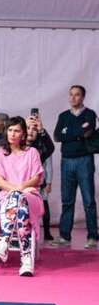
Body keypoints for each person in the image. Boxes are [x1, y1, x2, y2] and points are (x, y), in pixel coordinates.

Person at [0, 117, 44, 276]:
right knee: (20, 207)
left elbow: (36, 178)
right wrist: (17, 191)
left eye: (16, 131)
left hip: (30, 196)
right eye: (10, 130)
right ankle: (26, 258)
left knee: (20, 200)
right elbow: (0, 182)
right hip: (7, 197)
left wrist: (19, 190)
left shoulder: (32, 152)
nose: (12, 134)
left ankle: (4, 241)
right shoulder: (0, 154)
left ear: (23, 134)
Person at [53, 85, 97, 248]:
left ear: (83, 97)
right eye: (71, 94)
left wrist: (68, 133)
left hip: (84, 160)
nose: (73, 98)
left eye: (77, 95)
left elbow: (88, 133)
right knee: (67, 200)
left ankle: (93, 237)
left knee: (89, 201)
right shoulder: (63, 115)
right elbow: (57, 136)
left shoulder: (90, 114)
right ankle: (65, 236)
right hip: (67, 161)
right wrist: (78, 133)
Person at [25, 114, 55, 241]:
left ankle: (45, 232)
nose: (31, 131)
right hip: (18, 185)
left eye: (34, 129)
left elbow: (51, 148)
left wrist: (42, 130)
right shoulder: (15, 146)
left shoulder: (40, 149)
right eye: (28, 128)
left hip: (35, 186)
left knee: (43, 205)